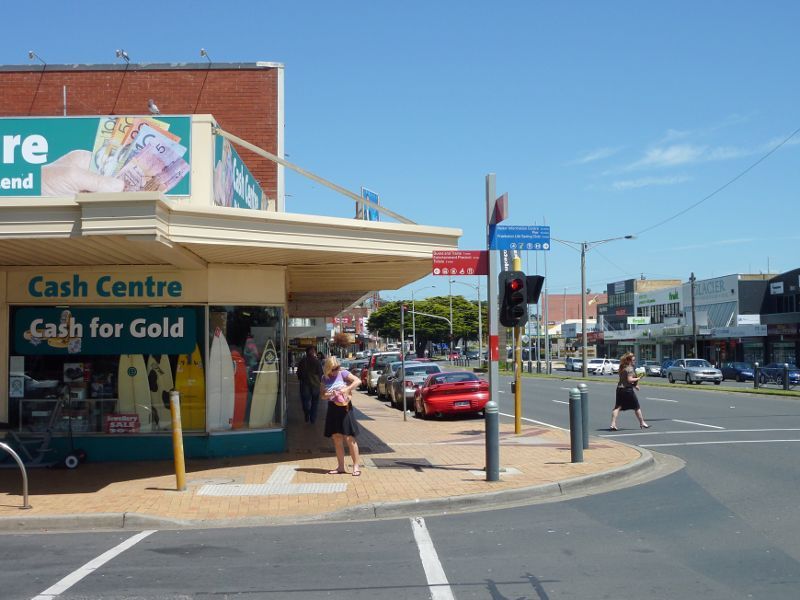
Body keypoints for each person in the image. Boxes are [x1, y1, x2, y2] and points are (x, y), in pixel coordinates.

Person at [321, 356, 362, 476]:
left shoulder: (343, 373)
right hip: (333, 408)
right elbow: (322, 396)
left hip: (345, 408)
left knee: (350, 438)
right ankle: (340, 467)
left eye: (337, 367)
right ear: (328, 368)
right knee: (337, 438)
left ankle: (356, 466)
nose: (336, 370)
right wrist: (330, 394)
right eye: (334, 368)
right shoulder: (324, 378)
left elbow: (357, 381)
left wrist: (347, 389)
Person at [610, 352, 650, 431]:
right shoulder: (630, 368)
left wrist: (635, 386)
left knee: (617, 407)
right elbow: (629, 380)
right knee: (636, 406)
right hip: (627, 390)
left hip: (619, 389)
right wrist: (639, 378)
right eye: (633, 360)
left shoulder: (622, 367)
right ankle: (642, 422)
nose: (634, 362)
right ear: (628, 360)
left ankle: (613, 424)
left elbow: (624, 380)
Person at [296, 347, 322, 423]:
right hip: (315, 385)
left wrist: (302, 379)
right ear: (312, 352)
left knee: (305, 401)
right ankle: (313, 419)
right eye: (314, 351)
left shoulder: (302, 361)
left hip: (304, 384)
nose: (314, 352)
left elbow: (299, 373)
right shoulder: (317, 362)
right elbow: (320, 374)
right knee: (315, 402)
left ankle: (307, 413)